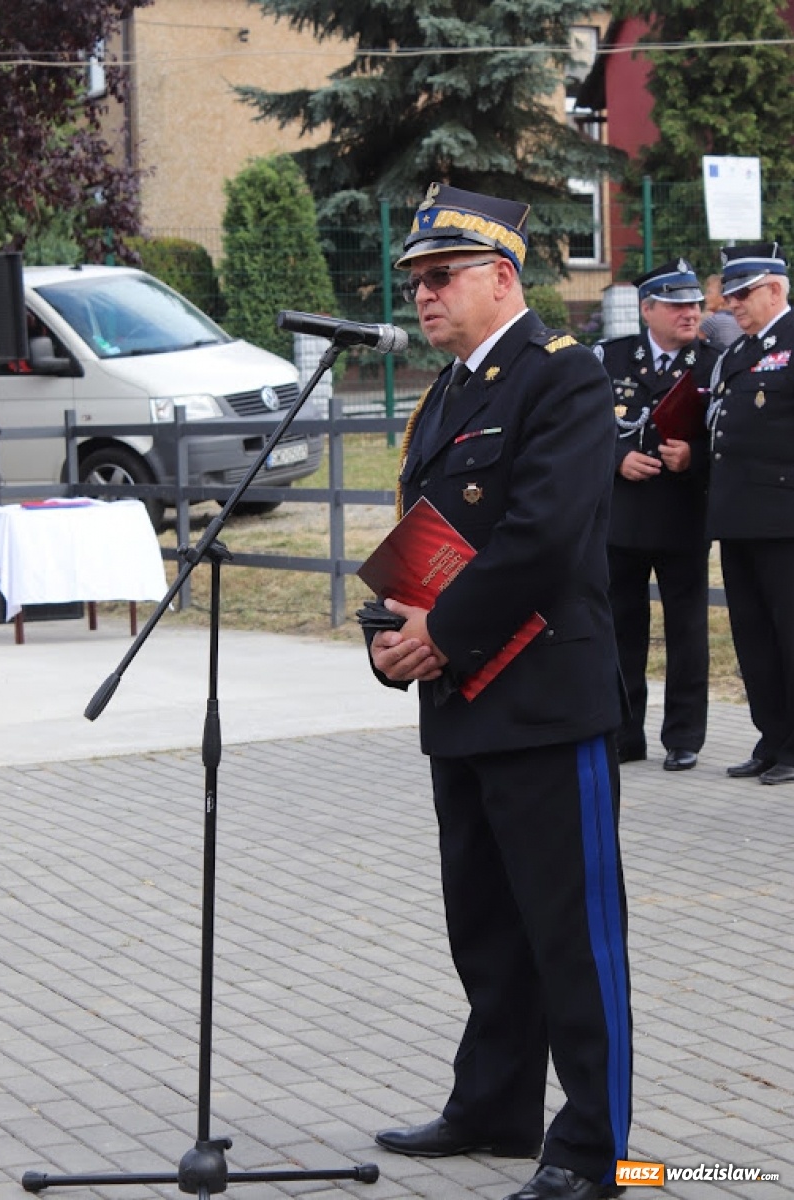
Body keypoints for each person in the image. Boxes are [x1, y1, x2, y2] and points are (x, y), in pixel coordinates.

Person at [365, 182, 631, 1200]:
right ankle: (494, 1104)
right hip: (460, 695)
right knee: (482, 922)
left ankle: (596, 1149)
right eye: (416, 282)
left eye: (441, 278)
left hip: (543, 694)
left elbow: (543, 537)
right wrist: (391, 639)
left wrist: (444, 632)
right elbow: (420, 540)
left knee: (571, 933)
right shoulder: (446, 393)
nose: (423, 297)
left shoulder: (562, 379)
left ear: (501, 278)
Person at [594, 259, 719, 772]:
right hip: (622, 519)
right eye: (677, 304)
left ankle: (685, 735)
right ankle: (625, 733)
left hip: (684, 517)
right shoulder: (609, 358)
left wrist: (694, 455)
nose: (691, 313)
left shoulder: (715, 362)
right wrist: (617, 460)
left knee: (687, 630)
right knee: (622, 628)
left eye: (694, 303)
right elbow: (580, 431)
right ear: (648, 309)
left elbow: (733, 438)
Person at [707, 242, 794, 785]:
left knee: (790, 634)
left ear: (776, 289)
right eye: (730, 295)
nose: (732, 305)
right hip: (737, 518)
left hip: (785, 520)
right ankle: (772, 735)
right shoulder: (738, 354)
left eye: (743, 294)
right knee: (753, 637)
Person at [699, 273, 742, 351]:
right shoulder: (741, 320)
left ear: (723, 296)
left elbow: (693, 348)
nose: (705, 297)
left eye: (709, 292)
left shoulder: (712, 322)